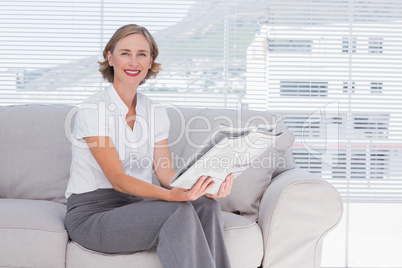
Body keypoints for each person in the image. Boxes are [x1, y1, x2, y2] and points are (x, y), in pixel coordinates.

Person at [64, 24, 233, 268]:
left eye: (141, 54)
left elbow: (165, 173)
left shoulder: (154, 111)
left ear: (150, 60)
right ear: (109, 57)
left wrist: (203, 188)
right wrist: (171, 197)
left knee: (206, 205)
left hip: (132, 208)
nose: (133, 62)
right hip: (92, 215)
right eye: (125, 53)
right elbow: (118, 179)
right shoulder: (94, 110)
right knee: (178, 211)